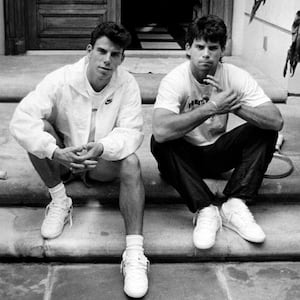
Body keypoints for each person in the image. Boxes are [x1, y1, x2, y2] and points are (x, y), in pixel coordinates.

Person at [10, 22, 149, 298]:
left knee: (132, 162)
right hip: (63, 160)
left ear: (122, 58)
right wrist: (55, 151)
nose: (107, 60)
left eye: (115, 54)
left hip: (100, 161)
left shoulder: (128, 84)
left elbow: (133, 132)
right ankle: (60, 200)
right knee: (38, 132)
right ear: (89, 50)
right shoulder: (61, 78)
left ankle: (134, 254)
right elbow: (20, 120)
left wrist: (101, 147)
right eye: (102, 51)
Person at [151, 15, 283, 250]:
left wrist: (234, 105)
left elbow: (275, 120)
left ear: (223, 50)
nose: (206, 54)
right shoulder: (175, 80)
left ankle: (235, 204)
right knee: (159, 142)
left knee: (265, 131)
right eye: (200, 47)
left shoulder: (235, 76)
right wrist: (211, 107)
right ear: (188, 48)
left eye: (213, 48)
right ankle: (206, 209)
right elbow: (161, 131)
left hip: (218, 152)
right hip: (185, 157)